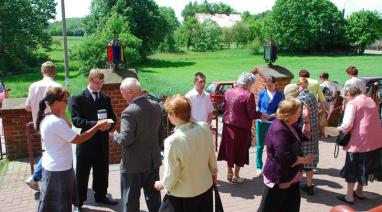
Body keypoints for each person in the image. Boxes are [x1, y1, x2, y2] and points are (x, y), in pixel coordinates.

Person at [36, 87, 109, 212]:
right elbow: (78, 139)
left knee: (54, 202)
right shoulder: (55, 122)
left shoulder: (49, 117)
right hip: (59, 168)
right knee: (60, 204)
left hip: (55, 166)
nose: (67, 103)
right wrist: (96, 126)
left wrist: (61, 112)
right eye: (65, 101)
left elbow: (69, 126)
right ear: (56, 102)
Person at [154, 94, 218, 212]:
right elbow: (211, 155)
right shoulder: (204, 127)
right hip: (205, 189)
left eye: (168, 113)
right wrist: (214, 173)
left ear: (173, 115)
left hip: (183, 196)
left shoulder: (172, 141)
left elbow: (172, 173)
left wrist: (163, 184)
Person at [111, 77, 166, 212]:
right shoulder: (156, 106)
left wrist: (114, 136)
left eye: (122, 93)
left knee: (130, 202)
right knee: (154, 200)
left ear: (130, 93)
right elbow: (161, 132)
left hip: (133, 165)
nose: (122, 96)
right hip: (152, 161)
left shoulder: (129, 112)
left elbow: (125, 139)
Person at [71, 69, 117, 211]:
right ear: (90, 80)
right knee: (82, 174)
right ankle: (78, 202)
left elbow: (113, 118)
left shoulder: (105, 98)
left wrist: (109, 126)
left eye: (101, 83)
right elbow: (76, 120)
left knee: (102, 172)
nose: (99, 85)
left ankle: (101, 195)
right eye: (97, 82)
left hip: (102, 142)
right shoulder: (78, 97)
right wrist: (96, 125)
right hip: (86, 142)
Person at [258, 98, 315, 212]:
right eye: (298, 112)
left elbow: (305, 135)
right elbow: (285, 157)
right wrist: (305, 160)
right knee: (268, 209)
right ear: (289, 114)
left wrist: (307, 119)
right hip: (279, 177)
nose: (300, 114)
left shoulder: (291, 124)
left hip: (292, 176)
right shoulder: (279, 129)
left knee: (291, 207)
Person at [336, 85, 382, 204]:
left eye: (345, 97)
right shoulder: (370, 99)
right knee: (364, 167)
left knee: (352, 167)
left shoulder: (352, 103)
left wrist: (338, 129)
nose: (345, 99)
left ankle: (349, 196)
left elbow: (347, 124)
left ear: (348, 94)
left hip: (359, 141)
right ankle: (360, 192)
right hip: (375, 140)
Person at [217, 72, 265, 183]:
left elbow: (224, 107)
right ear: (249, 83)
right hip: (241, 128)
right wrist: (261, 114)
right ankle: (236, 176)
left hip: (228, 126)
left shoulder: (228, 92)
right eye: (252, 84)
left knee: (229, 150)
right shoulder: (248, 95)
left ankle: (229, 173)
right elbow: (251, 114)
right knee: (240, 151)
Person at [25, 61, 62, 191]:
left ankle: (44, 178)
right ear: (55, 72)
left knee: (48, 150)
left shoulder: (33, 85)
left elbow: (28, 107)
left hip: (38, 123)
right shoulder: (57, 86)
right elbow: (62, 107)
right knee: (51, 151)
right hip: (54, 124)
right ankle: (35, 177)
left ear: (42, 71)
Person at [255, 76, 284, 176]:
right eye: (267, 85)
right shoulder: (262, 93)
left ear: (275, 84)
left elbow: (281, 110)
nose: (268, 87)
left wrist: (271, 115)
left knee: (271, 146)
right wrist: (260, 113)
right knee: (260, 146)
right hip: (261, 122)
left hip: (272, 123)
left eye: (270, 85)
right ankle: (258, 167)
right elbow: (258, 106)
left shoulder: (280, 96)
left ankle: (270, 166)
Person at [296, 77, 320, 195]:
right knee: (310, 159)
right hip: (314, 131)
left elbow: (298, 117)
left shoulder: (300, 99)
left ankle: (297, 183)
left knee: (301, 159)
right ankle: (309, 184)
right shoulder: (312, 96)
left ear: (299, 85)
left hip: (305, 131)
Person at [299, 69, 327, 138]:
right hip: (313, 105)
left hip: (302, 105)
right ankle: (312, 137)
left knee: (303, 122)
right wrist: (323, 110)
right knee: (313, 122)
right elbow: (322, 98)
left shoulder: (299, 82)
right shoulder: (315, 82)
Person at [319, 72, 338, 137]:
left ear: (321, 78)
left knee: (323, 119)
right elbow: (336, 95)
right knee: (328, 119)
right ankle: (327, 133)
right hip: (331, 103)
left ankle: (323, 134)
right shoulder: (334, 84)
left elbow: (320, 96)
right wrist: (333, 102)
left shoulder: (322, 85)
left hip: (324, 103)